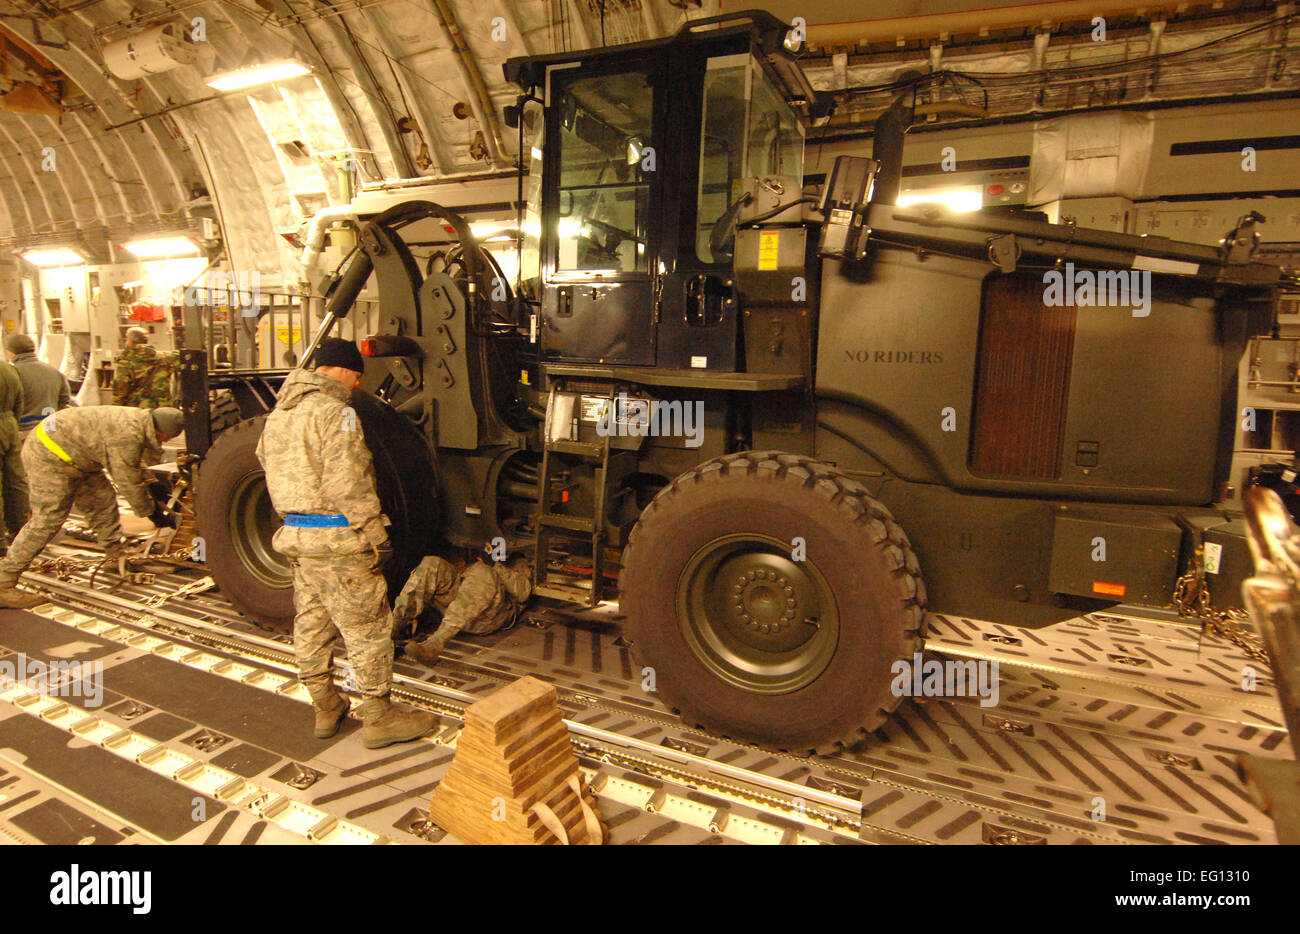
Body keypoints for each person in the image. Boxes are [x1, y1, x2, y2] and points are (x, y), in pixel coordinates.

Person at [255, 337, 436, 748]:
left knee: (312, 624)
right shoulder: (339, 415)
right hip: (340, 539)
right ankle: (378, 717)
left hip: (299, 537)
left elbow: (265, 463)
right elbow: (348, 481)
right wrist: (374, 535)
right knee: (367, 628)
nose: (357, 385)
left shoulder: (279, 416)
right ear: (340, 370)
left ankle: (325, 707)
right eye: (356, 375)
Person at [0, 405, 183, 608]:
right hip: (48, 454)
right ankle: (4, 581)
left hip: (79, 457)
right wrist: (153, 513)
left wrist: (152, 483)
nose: (165, 442)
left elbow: (134, 462)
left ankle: (115, 556)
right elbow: (126, 479)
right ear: (160, 431)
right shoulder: (127, 433)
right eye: (166, 438)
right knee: (48, 520)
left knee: (102, 501)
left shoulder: (139, 423)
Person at [399, 547, 533, 666]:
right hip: (461, 607)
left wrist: (494, 565)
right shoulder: (475, 550)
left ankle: (433, 646)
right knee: (432, 564)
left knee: (483, 571)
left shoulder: (518, 559)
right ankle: (395, 626)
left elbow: (523, 592)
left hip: (491, 615)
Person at [6, 333, 72, 442]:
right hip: (50, 431)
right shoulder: (55, 372)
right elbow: (64, 401)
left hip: (22, 433)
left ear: (12, 353)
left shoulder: (11, 374)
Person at [112, 327, 178, 409]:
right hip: (162, 409)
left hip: (138, 411)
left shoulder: (125, 362)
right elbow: (183, 356)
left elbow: (120, 391)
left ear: (130, 341)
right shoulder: (166, 357)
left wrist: (115, 409)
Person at [0, 358, 26, 549]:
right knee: (15, 482)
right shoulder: (9, 369)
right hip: (10, 426)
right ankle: (22, 534)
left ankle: (0, 541)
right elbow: (20, 403)